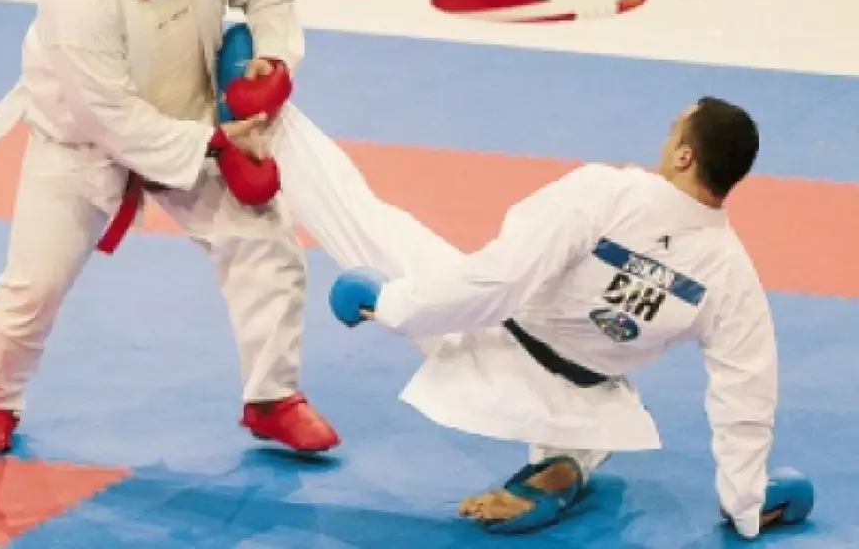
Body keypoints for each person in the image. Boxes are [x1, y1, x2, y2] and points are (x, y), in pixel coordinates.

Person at [260, 90, 815, 538]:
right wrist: (745, 502)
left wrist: (391, 305)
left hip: (489, 348)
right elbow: (746, 393)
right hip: (588, 401)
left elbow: (499, 282)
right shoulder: (732, 275)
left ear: (685, 156)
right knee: (611, 397)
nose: (663, 141)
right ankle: (565, 463)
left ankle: (265, 121)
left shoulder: (609, 193)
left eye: (673, 131)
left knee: (368, 222)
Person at [0, 0, 340, 456]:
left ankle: (272, 397)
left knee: (267, 245)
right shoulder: (77, 1)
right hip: (81, 143)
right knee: (34, 285)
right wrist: (216, 143)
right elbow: (110, 118)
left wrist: (271, 55)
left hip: (191, 115)